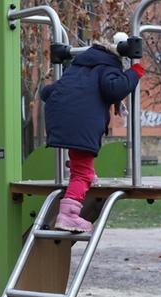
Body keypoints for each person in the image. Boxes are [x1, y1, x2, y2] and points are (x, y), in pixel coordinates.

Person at [41, 32, 144, 232]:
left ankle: (83, 172)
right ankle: (68, 214)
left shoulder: (77, 67)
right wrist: (134, 72)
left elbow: (47, 92)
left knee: (79, 157)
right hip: (81, 123)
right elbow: (114, 89)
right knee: (83, 173)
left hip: (60, 120)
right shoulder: (108, 65)